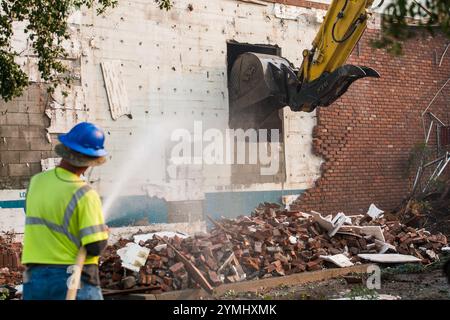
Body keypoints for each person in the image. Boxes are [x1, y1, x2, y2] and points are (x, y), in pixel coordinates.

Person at [21, 122, 109, 300]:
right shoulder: (85, 194)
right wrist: (103, 234)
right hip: (74, 279)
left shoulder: (36, 182)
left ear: (64, 150)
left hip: (35, 278)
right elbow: (94, 247)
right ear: (90, 161)